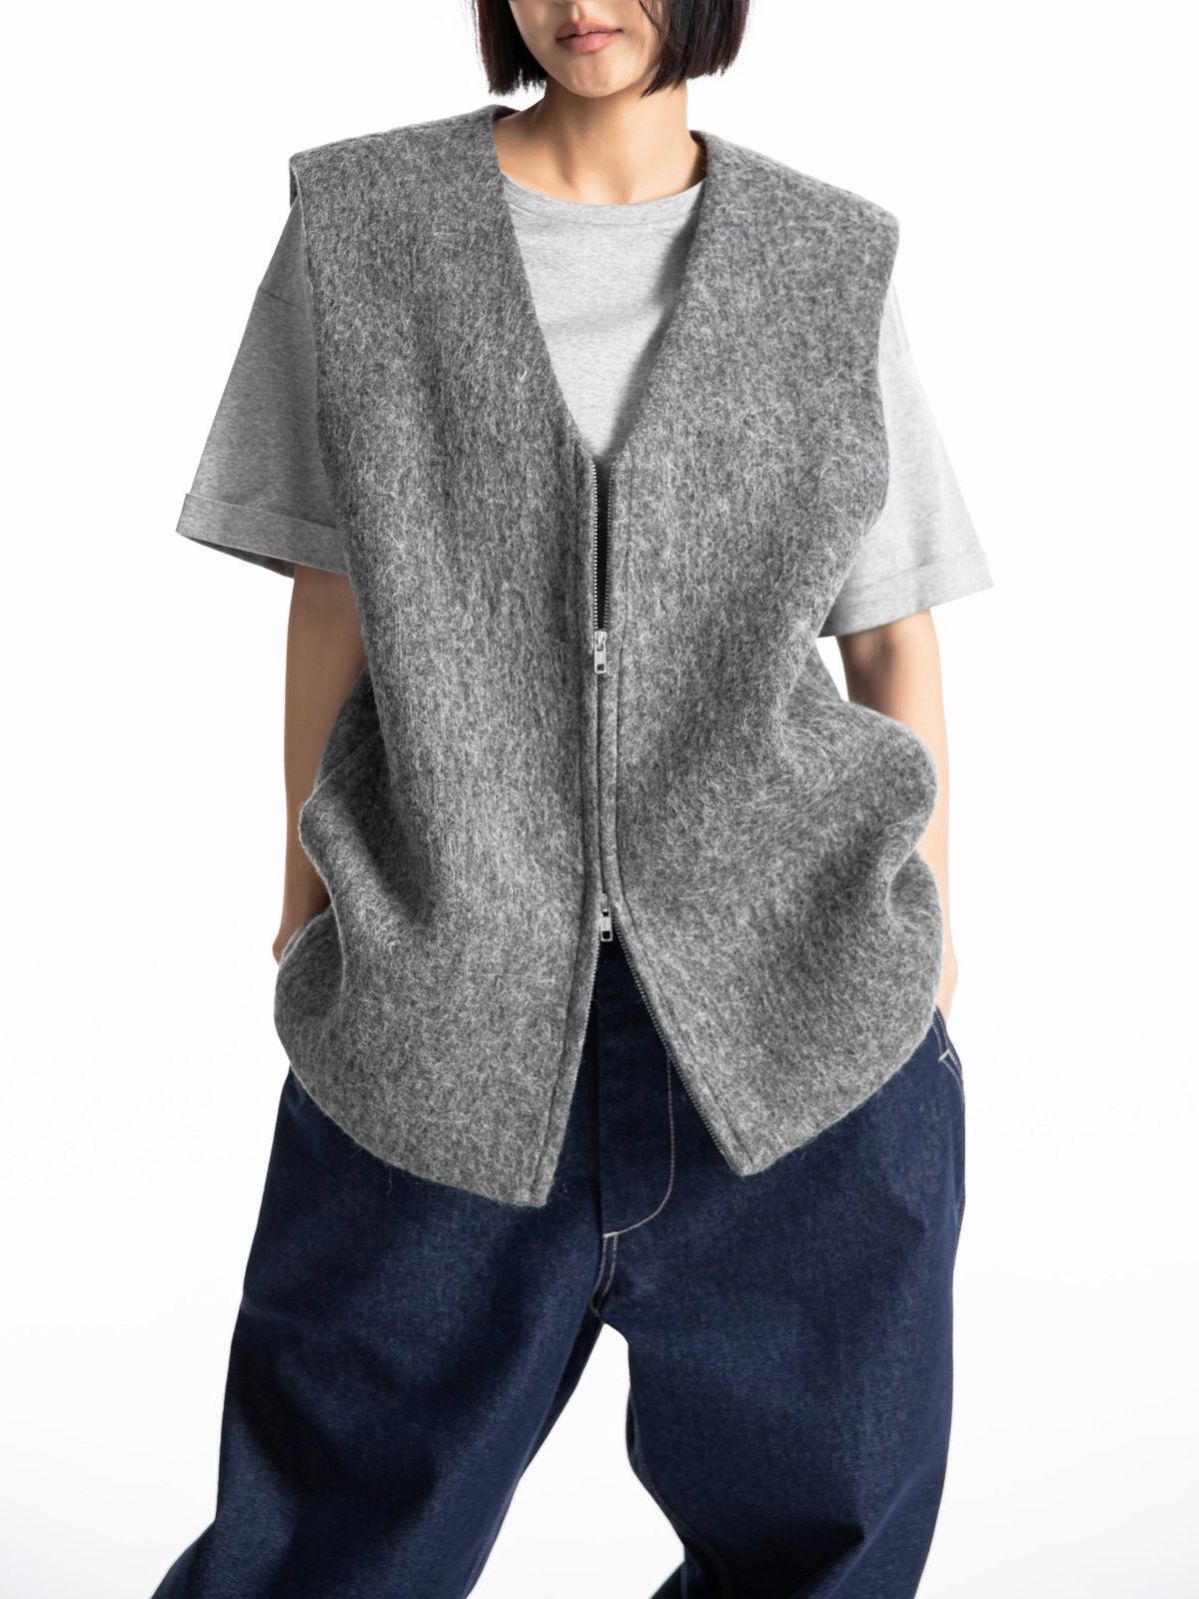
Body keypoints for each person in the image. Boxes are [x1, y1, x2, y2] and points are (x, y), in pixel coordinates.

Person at [151, 2, 992, 1595]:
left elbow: (892, 636)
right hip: (438, 1017)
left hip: (802, 1044)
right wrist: (309, 899)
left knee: (821, 1565)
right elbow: (332, 594)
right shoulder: (360, 225)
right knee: (319, 1555)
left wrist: (927, 944)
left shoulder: (831, 260)